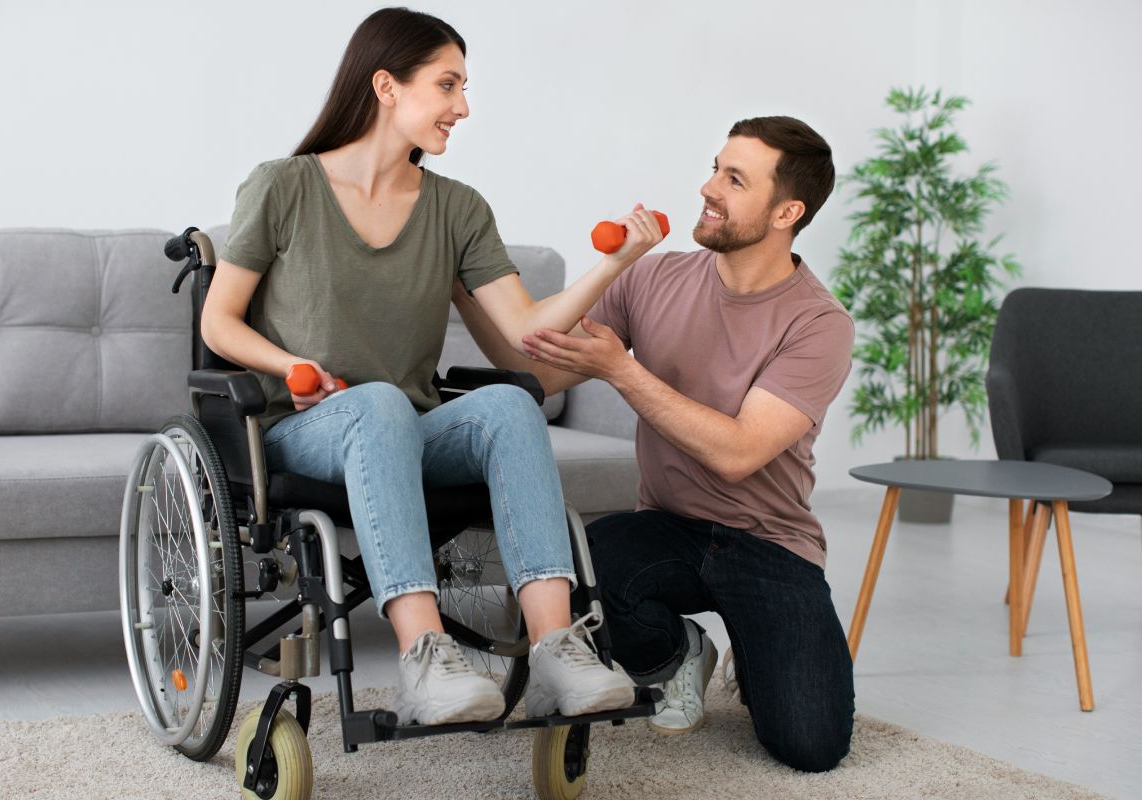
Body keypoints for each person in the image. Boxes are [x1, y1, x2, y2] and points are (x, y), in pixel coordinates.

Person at [200, 7, 659, 726]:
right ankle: (424, 661)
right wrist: (292, 364)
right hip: (303, 424)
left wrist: (613, 265)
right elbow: (217, 322)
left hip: (405, 427)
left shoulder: (457, 208)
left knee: (510, 403)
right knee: (380, 403)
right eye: (448, 86)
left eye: (464, 89)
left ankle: (556, 653)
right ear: (387, 86)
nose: (463, 107)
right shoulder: (282, 186)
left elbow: (521, 337)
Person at [454, 116, 855, 770]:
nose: (708, 187)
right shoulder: (653, 279)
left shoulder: (819, 323)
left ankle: (759, 655)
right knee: (579, 568)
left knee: (810, 745)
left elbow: (737, 452)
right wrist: (465, 287)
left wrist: (621, 369)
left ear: (787, 211)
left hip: (769, 541)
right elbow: (543, 369)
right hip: (664, 528)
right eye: (715, 167)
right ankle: (681, 653)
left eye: (734, 178)